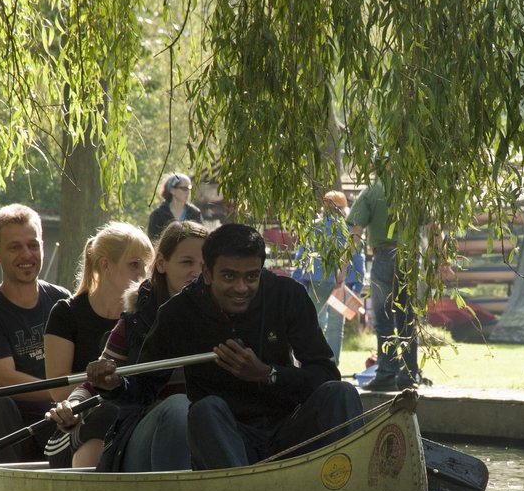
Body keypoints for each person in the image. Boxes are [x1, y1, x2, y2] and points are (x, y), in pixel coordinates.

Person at [88, 222, 363, 470]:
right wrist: (112, 385)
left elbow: (325, 374)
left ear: (262, 271)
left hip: (287, 428)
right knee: (204, 410)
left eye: (251, 277)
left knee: (341, 393)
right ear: (206, 274)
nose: (241, 288)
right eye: (229, 277)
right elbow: (143, 389)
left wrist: (268, 374)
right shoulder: (179, 312)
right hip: (226, 437)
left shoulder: (287, 295)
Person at [63, 220, 207, 472]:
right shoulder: (136, 318)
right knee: (177, 407)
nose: (196, 272)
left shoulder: (221, 314)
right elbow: (93, 381)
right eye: (187, 262)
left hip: (205, 431)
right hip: (143, 432)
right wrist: (72, 407)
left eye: (204, 265)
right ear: (161, 263)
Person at [42, 222, 154, 468]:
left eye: (147, 267)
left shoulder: (145, 316)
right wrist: (104, 385)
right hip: (74, 422)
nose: (143, 276)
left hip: (127, 420)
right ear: (105, 265)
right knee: (107, 411)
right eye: (134, 265)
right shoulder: (66, 313)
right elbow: (59, 391)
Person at [0, 204, 71, 461]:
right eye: (15, 247)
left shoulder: (62, 300)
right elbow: (5, 380)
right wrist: (64, 390)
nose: (27, 254)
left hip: (56, 422)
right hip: (6, 431)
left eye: (33, 245)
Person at [348, 179, 419, 391]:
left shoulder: (370, 191)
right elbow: (432, 224)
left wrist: (344, 266)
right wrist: (443, 260)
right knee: (407, 318)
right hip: (410, 257)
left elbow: (357, 230)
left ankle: (386, 373)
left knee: (384, 316)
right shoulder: (412, 187)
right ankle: (408, 374)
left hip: (384, 256)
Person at [290, 190, 365, 367]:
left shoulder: (314, 227)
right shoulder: (350, 230)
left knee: (315, 321)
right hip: (340, 282)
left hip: (317, 281)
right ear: (343, 209)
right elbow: (357, 258)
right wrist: (358, 286)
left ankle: (313, 361)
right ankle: (332, 363)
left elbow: (302, 255)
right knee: (335, 326)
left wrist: (295, 280)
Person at [146, 172, 203, 244]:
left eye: (189, 188)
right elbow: (153, 242)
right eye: (184, 188)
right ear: (172, 190)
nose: (188, 192)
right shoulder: (158, 215)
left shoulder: (195, 213)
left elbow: (201, 239)